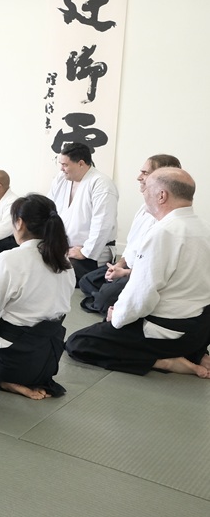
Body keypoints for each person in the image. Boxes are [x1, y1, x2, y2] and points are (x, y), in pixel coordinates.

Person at [66, 168, 210, 378]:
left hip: (168, 332)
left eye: (147, 188)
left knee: (78, 343)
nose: (143, 192)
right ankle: (195, 354)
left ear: (162, 195)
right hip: (201, 330)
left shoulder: (164, 233)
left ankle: (163, 362)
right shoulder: (203, 227)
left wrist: (117, 318)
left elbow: (143, 294)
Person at [0, 194, 75, 400]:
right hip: (48, 361)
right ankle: (10, 378)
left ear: (19, 223)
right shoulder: (64, 263)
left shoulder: (10, 260)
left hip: (11, 362)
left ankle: (5, 381)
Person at [79, 154, 181, 315]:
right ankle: (113, 295)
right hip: (129, 267)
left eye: (145, 173)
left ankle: (110, 298)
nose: (139, 177)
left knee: (103, 298)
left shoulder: (169, 221)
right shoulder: (144, 208)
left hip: (142, 274)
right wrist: (119, 265)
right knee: (86, 280)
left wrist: (125, 273)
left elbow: (154, 270)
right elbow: (130, 247)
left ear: (161, 178)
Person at [48, 142, 119, 284]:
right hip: (64, 247)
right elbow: (49, 209)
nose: (61, 169)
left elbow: (103, 222)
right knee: (33, 262)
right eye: (60, 164)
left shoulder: (101, 184)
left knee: (56, 274)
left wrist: (85, 251)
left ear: (81, 163)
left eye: (65, 165)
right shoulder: (61, 179)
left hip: (91, 253)